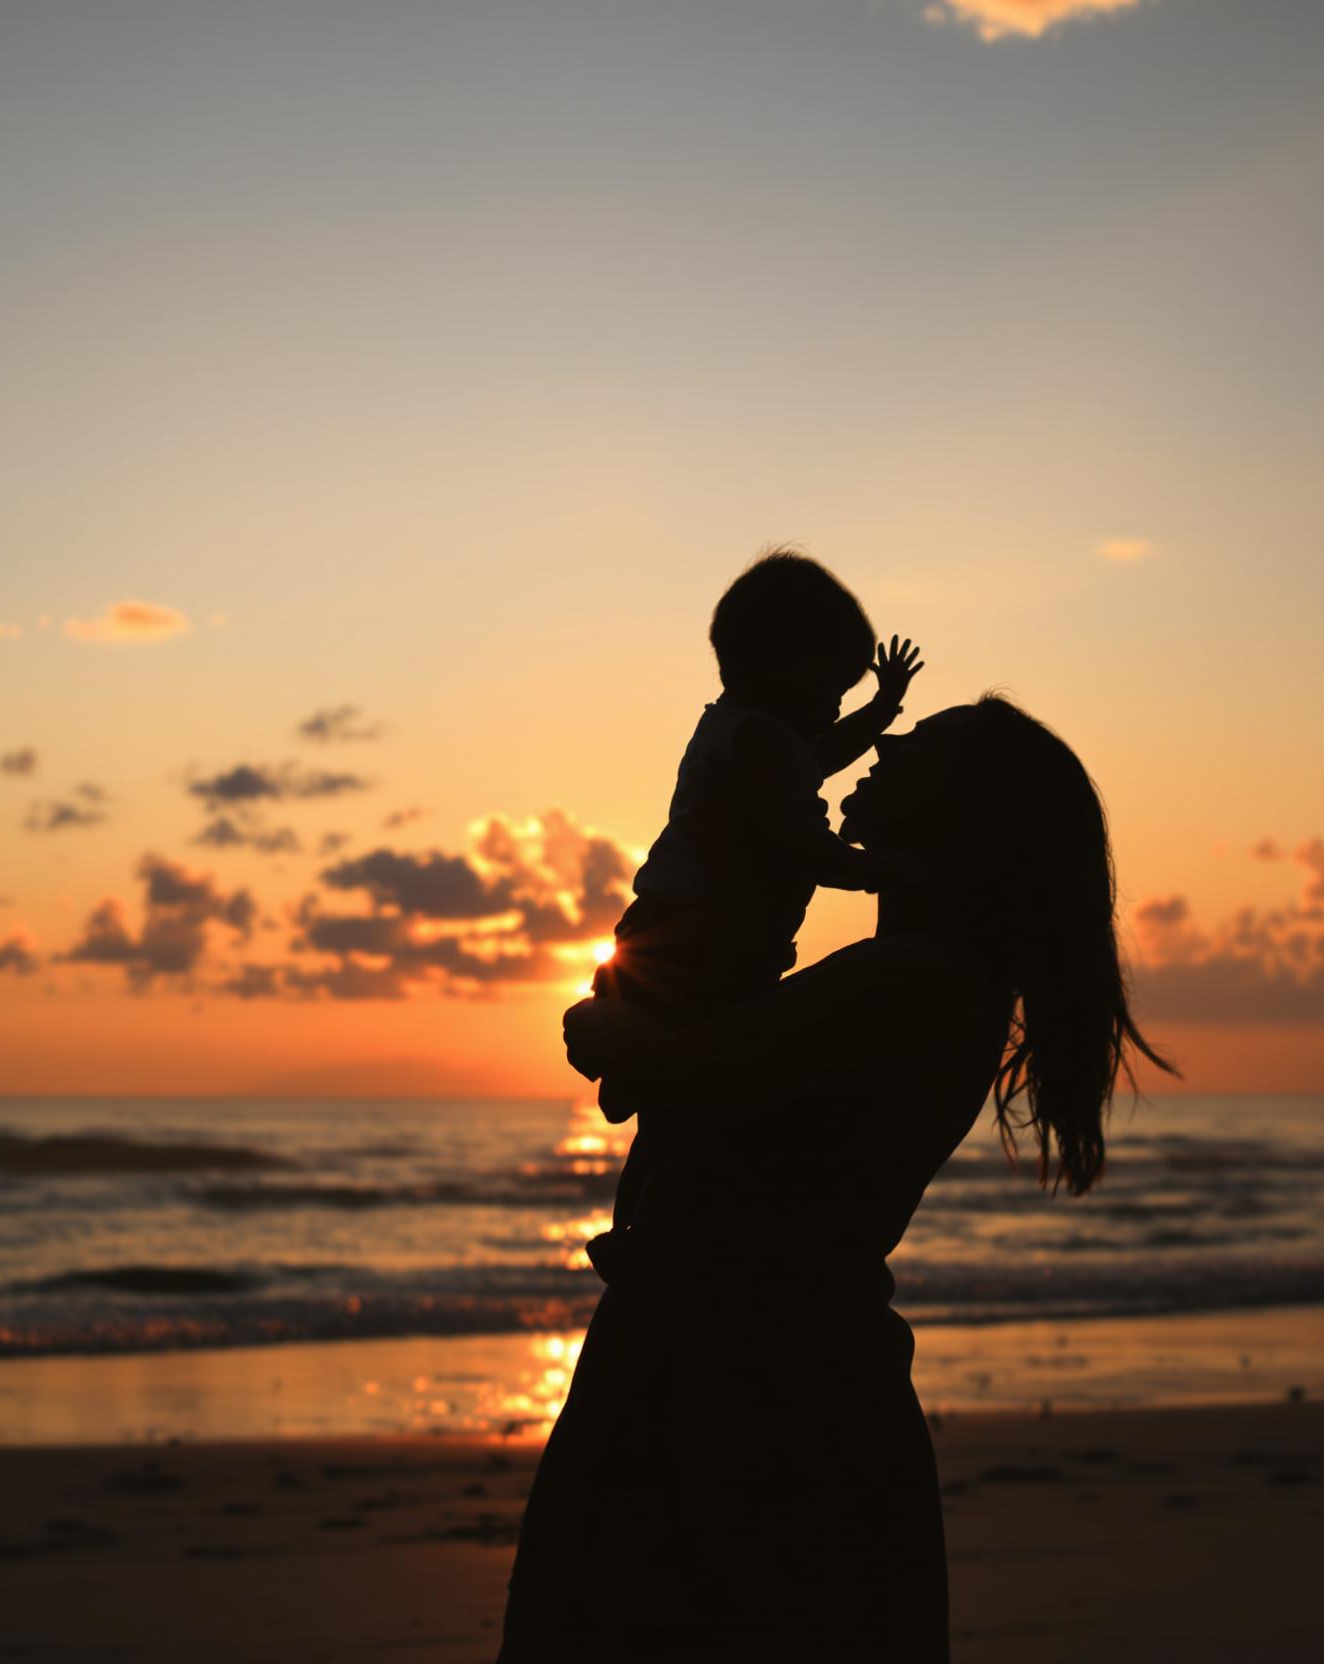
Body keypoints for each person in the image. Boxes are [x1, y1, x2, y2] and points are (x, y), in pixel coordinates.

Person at [499, 695, 1173, 1661]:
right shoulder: (918, 979)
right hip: (761, 1373)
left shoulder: (913, 983)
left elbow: (673, 1072)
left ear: (960, 816)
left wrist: (616, 1028)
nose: (887, 742)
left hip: (744, 1398)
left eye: (920, 746)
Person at [595, 548, 922, 1231]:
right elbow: (804, 844)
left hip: (688, 937)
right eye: (831, 687)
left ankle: (639, 1206)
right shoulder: (757, 746)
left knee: (675, 1115)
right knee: (690, 1112)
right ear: (783, 667)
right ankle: (643, 1222)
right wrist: (881, 870)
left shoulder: (747, 733)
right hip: (702, 945)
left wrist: (880, 707)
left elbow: (824, 752)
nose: (835, 704)